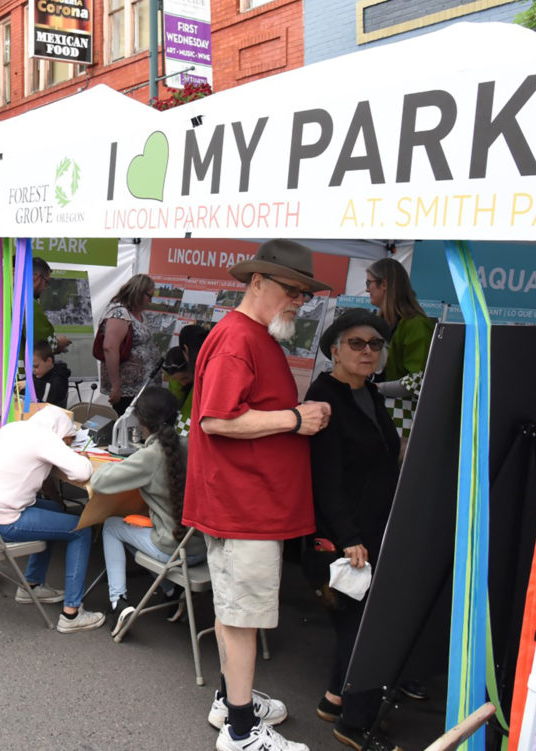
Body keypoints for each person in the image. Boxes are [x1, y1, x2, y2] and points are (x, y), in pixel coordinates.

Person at [186, 239, 333, 751]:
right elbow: (216, 419)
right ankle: (243, 730)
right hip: (244, 505)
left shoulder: (248, 334)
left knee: (234, 611)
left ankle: (233, 702)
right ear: (257, 282)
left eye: (305, 293)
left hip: (244, 503)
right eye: (293, 290)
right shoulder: (238, 338)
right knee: (242, 615)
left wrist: (294, 418)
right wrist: (296, 418)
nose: (300, 300)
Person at [305, 310, 404, 751]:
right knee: (364, 626)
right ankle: (355, 723)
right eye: (357, 344)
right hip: (343, 534)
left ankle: (333, 699)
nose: (368, 351)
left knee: (354, 621)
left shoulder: (372, 395)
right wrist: (347, 536)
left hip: (372, 527)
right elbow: (325, 477)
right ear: (335, 350)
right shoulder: (325, 397)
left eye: (375, 345)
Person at [0, 406, 104, 634]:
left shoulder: (13, 428)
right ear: (61, 434)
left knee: (55, 510)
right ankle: (72, 613)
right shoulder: (47, 439)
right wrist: (81, 456)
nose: (68, 445)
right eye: (68, 441)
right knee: (82, 529)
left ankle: (32, 584)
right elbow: (81, 472)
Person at [90, 386, 206, 637]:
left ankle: (117, 601)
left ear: (141, 422)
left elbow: (99, 482)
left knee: (112, 526)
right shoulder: (192, 446)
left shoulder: (150, 456)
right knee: (133, 531)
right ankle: (172, 592)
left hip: (173, 549)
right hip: (202, 547)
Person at [365, 258, 435, 441]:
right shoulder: (379, 323)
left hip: (401, 424)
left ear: (384, 285)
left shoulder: (416, 325)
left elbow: (417, 381)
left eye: (369, 283)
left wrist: (375, 388)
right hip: (378, 418)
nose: (366, 289)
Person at [98, 274, 160, 413]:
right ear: (138, 292)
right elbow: (110, 348)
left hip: (142, 386)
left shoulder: (136, 312)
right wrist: (115, 386)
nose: (150, 300)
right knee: (129, 424)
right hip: (127, 389)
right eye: (149, 296)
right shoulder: (119, 313)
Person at [164, 324, 210, 436]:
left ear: (186, 349)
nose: (183, 383)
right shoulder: (176, 374)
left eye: (185, 378)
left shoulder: (202, 376)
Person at [32, 257, 71, 354]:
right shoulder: (28, 304)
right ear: (36, 277)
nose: (45, 288)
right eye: (46, 282)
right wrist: (58, 342)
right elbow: (43, 343)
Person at [22, 341, 70, 408]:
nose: (32, 370)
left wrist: (31, 385)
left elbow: (54, 396)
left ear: (49, 361)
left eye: (36, 366)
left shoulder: (60, 378)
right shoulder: (34, 376)